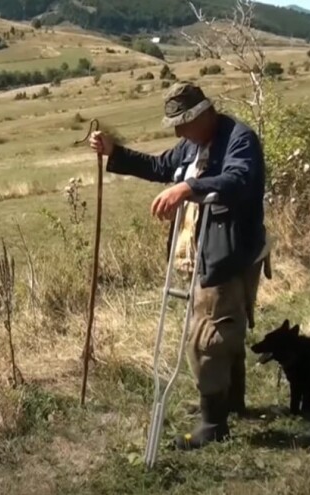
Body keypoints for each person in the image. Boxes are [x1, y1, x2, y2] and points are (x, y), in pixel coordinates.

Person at [89, 82, 272, 450]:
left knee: (209, 336)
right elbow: (161, 166)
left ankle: (213, 423)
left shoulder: (239, 139)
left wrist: (188, 189)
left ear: (204, 114)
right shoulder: (193, 144)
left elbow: (238, 179)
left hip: (227, 252)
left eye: (182, 122)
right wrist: (115, 152)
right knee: (225, 326)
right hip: (201, 250)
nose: (177, 132)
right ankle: (229, 402)